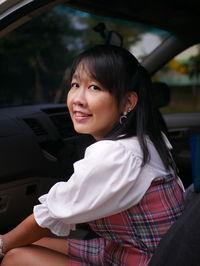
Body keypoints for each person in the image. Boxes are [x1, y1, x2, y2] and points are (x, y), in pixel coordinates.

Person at [0, 45, 185, 266]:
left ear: (128, 102)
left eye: (95, 87)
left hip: (144, 261)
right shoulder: (146, 140)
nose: (78, 98)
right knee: (32, 245)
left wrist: (2, 244)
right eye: (76, 84)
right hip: (132, 252)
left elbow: (48, 216)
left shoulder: (116, 154)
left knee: (15, 257)